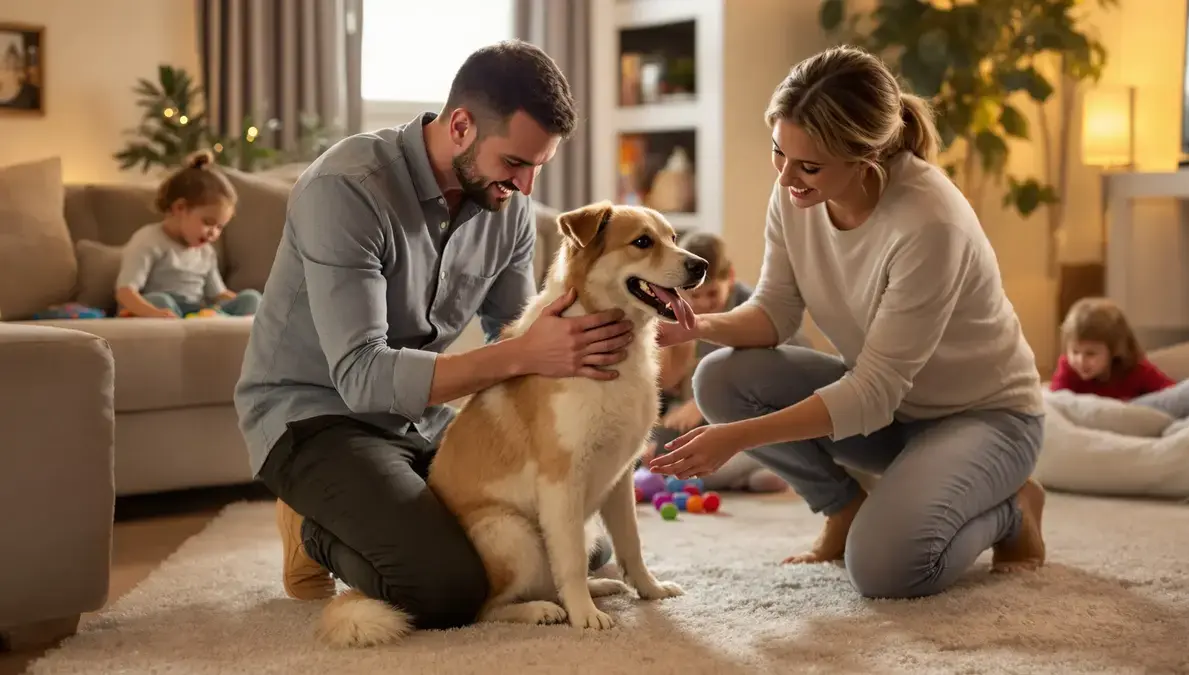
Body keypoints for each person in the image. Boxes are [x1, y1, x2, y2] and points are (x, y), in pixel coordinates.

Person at [234, 40, 634, 630]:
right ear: (462, 126)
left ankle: (377, 512)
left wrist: (614, 328)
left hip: (420, 417)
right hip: (315, 418)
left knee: (571, 540)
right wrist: (524, 352)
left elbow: (519, 335)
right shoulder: (347, 188)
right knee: (447, 589)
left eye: (537, 167)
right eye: (515, 163)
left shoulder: (509, 208)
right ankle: (315, 530)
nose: (526, 187)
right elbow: (363, 377)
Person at [646, 45, 1047, 599]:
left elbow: (874, 390)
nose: (787, 177)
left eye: (808, 166)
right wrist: (698, 327)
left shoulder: (930, 224)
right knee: (718, 378)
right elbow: (775, 313)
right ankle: (844, 507)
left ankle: (1012, 511)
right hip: (895, 416)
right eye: (779, 152)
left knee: (887, 570)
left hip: (987, 419)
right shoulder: (796, 191)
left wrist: (737, 438)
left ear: (866, 158)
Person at [643, 229, 788, 492]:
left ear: (729, 278)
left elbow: (776, 372)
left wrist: (700, 403)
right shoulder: (673, 309)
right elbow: (663, 383)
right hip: (698, 415)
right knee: (649, 451)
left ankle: (758, 466)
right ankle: (748, 474)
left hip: (747, 413)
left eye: (712, 294)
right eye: (694, 296)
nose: (702, 304)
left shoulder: (752, 308)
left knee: (683, 465)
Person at [115, 150, 261, 318]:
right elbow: (125, 292)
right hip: (160, 308)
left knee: (251, 298)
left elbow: (218, 294)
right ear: (180, 208)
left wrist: (249, 304)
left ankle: (216, 319)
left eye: (220, 227)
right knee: (160, 300)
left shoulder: (206, 252)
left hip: (197, 311)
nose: (213, 233)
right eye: (208, 222)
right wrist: (156, 313)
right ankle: (205, 321)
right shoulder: (148, 240)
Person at [1050, 297, 1175, 399]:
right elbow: (1055, 401)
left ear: (1115, 349)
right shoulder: (1068, 367)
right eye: (1075, 352)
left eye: (1091, 354)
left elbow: (1171, 393)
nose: (1080, 361)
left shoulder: (1135, 368)